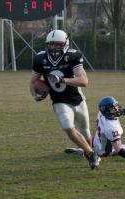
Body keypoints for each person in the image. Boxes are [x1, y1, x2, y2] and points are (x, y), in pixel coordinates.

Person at [29, 29, 99, 169]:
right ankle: (91, 154)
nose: (54, 48)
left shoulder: (73, 56)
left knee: (85, 131)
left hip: (77, 99)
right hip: (59, 100)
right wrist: (35, 95)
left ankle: (87, 148)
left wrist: (62, 80)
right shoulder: (40, 58)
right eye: (51, 45)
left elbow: (84, 81)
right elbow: (33, 82)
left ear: (65, 44)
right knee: (67, 126)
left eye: (57, 45)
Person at [66, 96, 125, 163]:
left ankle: (84, 147)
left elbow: (120, 111)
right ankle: (86, 151)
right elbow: (118, 149)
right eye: (113, 108)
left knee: (100, 137)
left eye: (115, 106)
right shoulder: (111, 127)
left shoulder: (102, 113)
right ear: (108, 111)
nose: (116, 109)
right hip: (104, 151)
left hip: (97, 140)